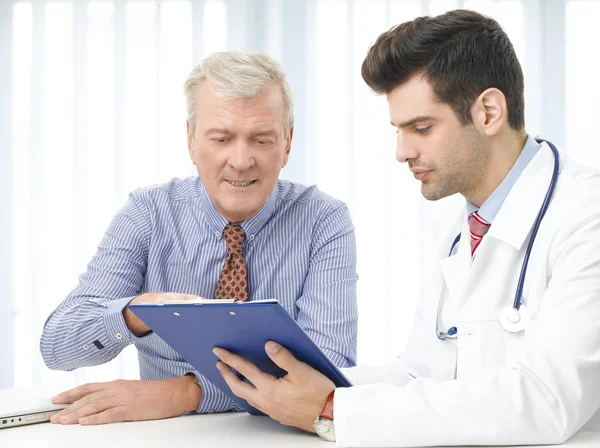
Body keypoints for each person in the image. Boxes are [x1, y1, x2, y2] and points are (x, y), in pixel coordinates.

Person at [212, 9, 600, 447]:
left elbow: (547, 401)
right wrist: (292, 386)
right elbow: (419, 373)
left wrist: (329, 409)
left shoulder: (586, 217)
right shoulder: (458, 228)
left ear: (488, 112)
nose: (401, 151)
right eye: (399, 129)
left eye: (421, 128)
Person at [40, 50, 358, 426]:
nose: (241, 161)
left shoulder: (324, 219)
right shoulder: (148, 214)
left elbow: (329, 372)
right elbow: (57, 346)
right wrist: (135, 312)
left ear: (287, 143)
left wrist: (186, 391)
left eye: (261, 139)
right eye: (221, 138)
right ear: (191, 140)